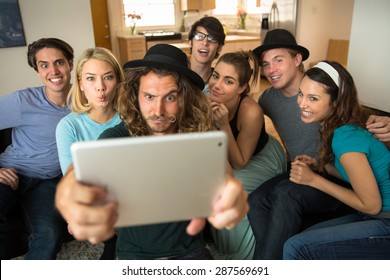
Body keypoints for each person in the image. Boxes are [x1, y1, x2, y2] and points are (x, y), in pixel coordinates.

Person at [55, 44, 249, 260]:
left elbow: (227, 182)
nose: (158, 111)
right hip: (135, 255)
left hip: (189, 251)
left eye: (170, 97)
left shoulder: (199, 136)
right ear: (135, 96)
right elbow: (81, 176)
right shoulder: (116, 138)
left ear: (184, 98)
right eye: (149, 97)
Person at [247, 29, 353, 260]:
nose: (271, 70)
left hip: (337, 177)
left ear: (297, 60)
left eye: (278, 60)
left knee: (286, 194)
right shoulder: (268, 99)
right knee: (255, 201)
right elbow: (245, 115)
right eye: (265, 64)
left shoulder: (326, 93)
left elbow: (358, 116)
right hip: (303, 169)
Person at [283, 61, 390, 259]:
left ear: (335, 102)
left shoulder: (344, 137)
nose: (302, 103)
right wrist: (322, 166)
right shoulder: (345, 124)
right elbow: (361, 177)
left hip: (384, 220)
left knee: (297, 248)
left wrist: (314, 180)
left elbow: (371, 205)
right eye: (301, 94)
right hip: (376, 216)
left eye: (313, 98)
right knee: (304, 237)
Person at [207, 51, 287, 259]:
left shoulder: (251, 110)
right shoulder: (206, 97)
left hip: (262, 158)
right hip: (227, 153)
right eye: (215, 75)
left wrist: (223, 124)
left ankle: (240, 257)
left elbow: (240, 161)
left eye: (228, 81)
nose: (216, 85)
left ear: (242, 88)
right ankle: (223, 247)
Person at [0, 38, 73, 259]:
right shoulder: (22, 101)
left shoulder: (84, 101)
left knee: (49, 235)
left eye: (59, 62)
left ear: (70, 63)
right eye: (44, 65)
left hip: (46, 181)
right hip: (10, 173)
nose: (53, 71)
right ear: (37, 70)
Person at [56, 47, 124, 259]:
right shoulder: (68, 126)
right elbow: (73, 179)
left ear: (118, 81)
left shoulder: (131, 118)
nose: (100, 87)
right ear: (81, 84)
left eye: (108, 77)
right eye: (91, 79)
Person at [188, 16, 225, 95]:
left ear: (219, 47)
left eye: (212, 38)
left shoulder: (219, 84)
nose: (205, 43)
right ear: (191, 42)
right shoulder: (177, 76)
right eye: (199, 37)